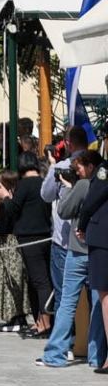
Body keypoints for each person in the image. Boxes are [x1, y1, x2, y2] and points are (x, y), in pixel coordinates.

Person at [39, 151, 107, 368]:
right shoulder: (101, 183)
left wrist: (68, 189)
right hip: (99, 249)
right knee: (98, 304)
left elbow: (64, 210)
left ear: (89, 166)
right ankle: (96, 356)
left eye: (79, 168)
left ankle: (55, 353)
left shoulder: (83, 186)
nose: (76, 171)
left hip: (78, 250)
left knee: (67, 301)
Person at [0, 152, 53, 338]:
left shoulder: (24, 185)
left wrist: (5, 196)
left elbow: (12, 209)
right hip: (46, 235)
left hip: (30, 239)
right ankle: (42, 321)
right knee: (41, 280)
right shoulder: (44, 182)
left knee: (39, 281)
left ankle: (44, 324)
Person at [41, 126, 90, 321]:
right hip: (92, 240)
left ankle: (67, 343)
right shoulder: (99, 165)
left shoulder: (61, 167)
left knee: (65, 297)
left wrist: (53, 165)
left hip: (64, 242)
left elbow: (45, 195)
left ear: (68, 144)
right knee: (96, 295)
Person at [0, 171, 32, 332]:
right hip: (10, 245)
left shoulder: (7, 204)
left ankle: (16, 316)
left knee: (7, 280)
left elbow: (4, 227)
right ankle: (17, 316)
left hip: (7, 245)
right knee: (13, 280)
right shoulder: (13, 202)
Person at [76, 152, 108, 374]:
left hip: (104, 236)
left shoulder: (105, 169)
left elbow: (94, 196)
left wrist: (82, 223)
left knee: (105, 297)